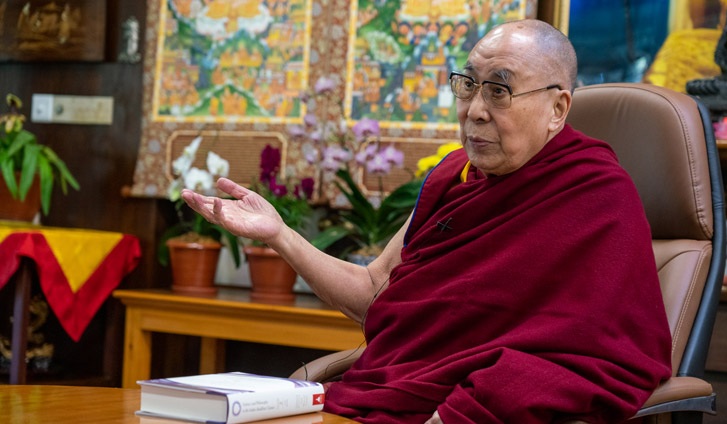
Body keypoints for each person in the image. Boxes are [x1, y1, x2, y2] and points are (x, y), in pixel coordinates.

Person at [181, 19, 672, 424]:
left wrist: (463, 409)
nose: (474, 111)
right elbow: (376, 290)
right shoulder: (452, 178)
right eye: (468, 85)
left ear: (557, 109)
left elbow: (600, 357)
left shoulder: (598, 195)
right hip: (385, 396)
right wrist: (280, 235)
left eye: (499, 91)